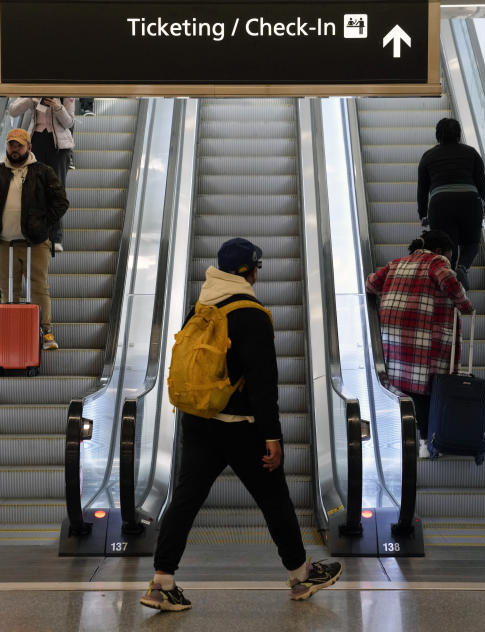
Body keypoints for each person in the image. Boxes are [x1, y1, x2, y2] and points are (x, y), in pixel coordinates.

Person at [141, 238, 342, 612]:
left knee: (185, 501)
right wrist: (272, 435)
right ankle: (301, 575)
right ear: (249, 271)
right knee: (273, 499)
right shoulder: (251, 312)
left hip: (199, 420)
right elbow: (263, 382)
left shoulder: (201, 305)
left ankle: (161, 583)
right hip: (243, 427)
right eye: (257, 269)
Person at [365, 230, 475, 458]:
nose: (450, 260)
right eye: (450, 255)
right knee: (426, 390)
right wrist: (466, 306)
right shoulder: (435, 263)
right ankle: (427, 441)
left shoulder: (395, 264)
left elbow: (372, 284)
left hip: (394, 338)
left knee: (404, 387)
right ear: (440, 251)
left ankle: (397, 438)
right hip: (424, 338)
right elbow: (452, 286)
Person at [0, 128, 69, 351]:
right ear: (7, 147)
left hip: (35, 242)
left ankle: (45, 331)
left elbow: (61, 201)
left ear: (29, 146)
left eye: (19, 145)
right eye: (11, 145)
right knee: (9, 291)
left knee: (39, 287)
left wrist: (42, 222)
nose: (14, 149)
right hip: (3, 243)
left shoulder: (43, 172)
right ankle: (12, 336)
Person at [416, 117, 485, 290]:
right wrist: (482, 205)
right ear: (459, 135)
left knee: (448, 246)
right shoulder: (472, 153)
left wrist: (423, 214)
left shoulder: (428, 156)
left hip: (441, 204)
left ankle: (449, 280)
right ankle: (462, 268)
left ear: (437, 136)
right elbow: (481, 184)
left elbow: (422, 190)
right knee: (471, 243)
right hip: (470, 200)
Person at [8, 97, 76, 250]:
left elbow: (69, 122)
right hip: (36, 141)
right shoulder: (33, 88)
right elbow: (12, 111)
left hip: (58, 146)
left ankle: (55, 237)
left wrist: (57, 106)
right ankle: (35, 233)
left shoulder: (65, 92)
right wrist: (31, 97)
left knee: (56, 190)